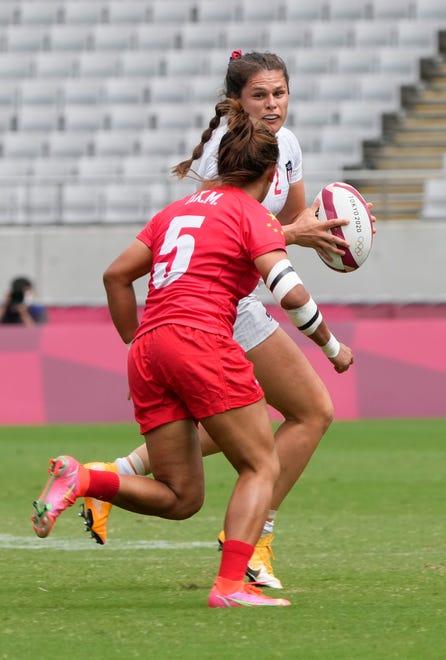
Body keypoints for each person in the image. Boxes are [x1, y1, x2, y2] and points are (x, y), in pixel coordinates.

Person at [32, 98, 353, 608]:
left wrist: (136, 341)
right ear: (271, 178)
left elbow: (115, 276)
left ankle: (84, 477)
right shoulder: (254, 215)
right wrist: (333, 348)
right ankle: (230, 586)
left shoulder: (175, 211)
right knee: (261, 464)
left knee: (182, 498)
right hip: (202, 339)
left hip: (151, 348)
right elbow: (289, 290)